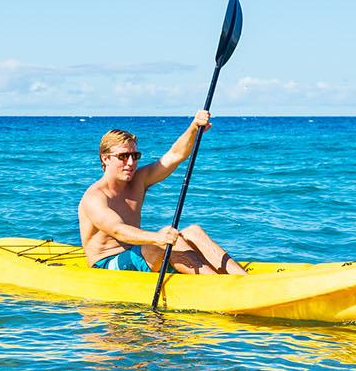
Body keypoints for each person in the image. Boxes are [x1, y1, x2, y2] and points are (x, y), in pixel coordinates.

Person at [78, 110, 246, 276]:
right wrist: (157, 238)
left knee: (193, 232)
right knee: (165, 240)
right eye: (123, 156)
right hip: (107, 265)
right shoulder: (95, 197)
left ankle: (243, 280)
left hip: (139, 254)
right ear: (105, 158)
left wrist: (194, 128)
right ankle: (215, 284)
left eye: (135, 156)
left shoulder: (138, 180)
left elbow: (175, 155)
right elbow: (117, 230)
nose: (130, 163)